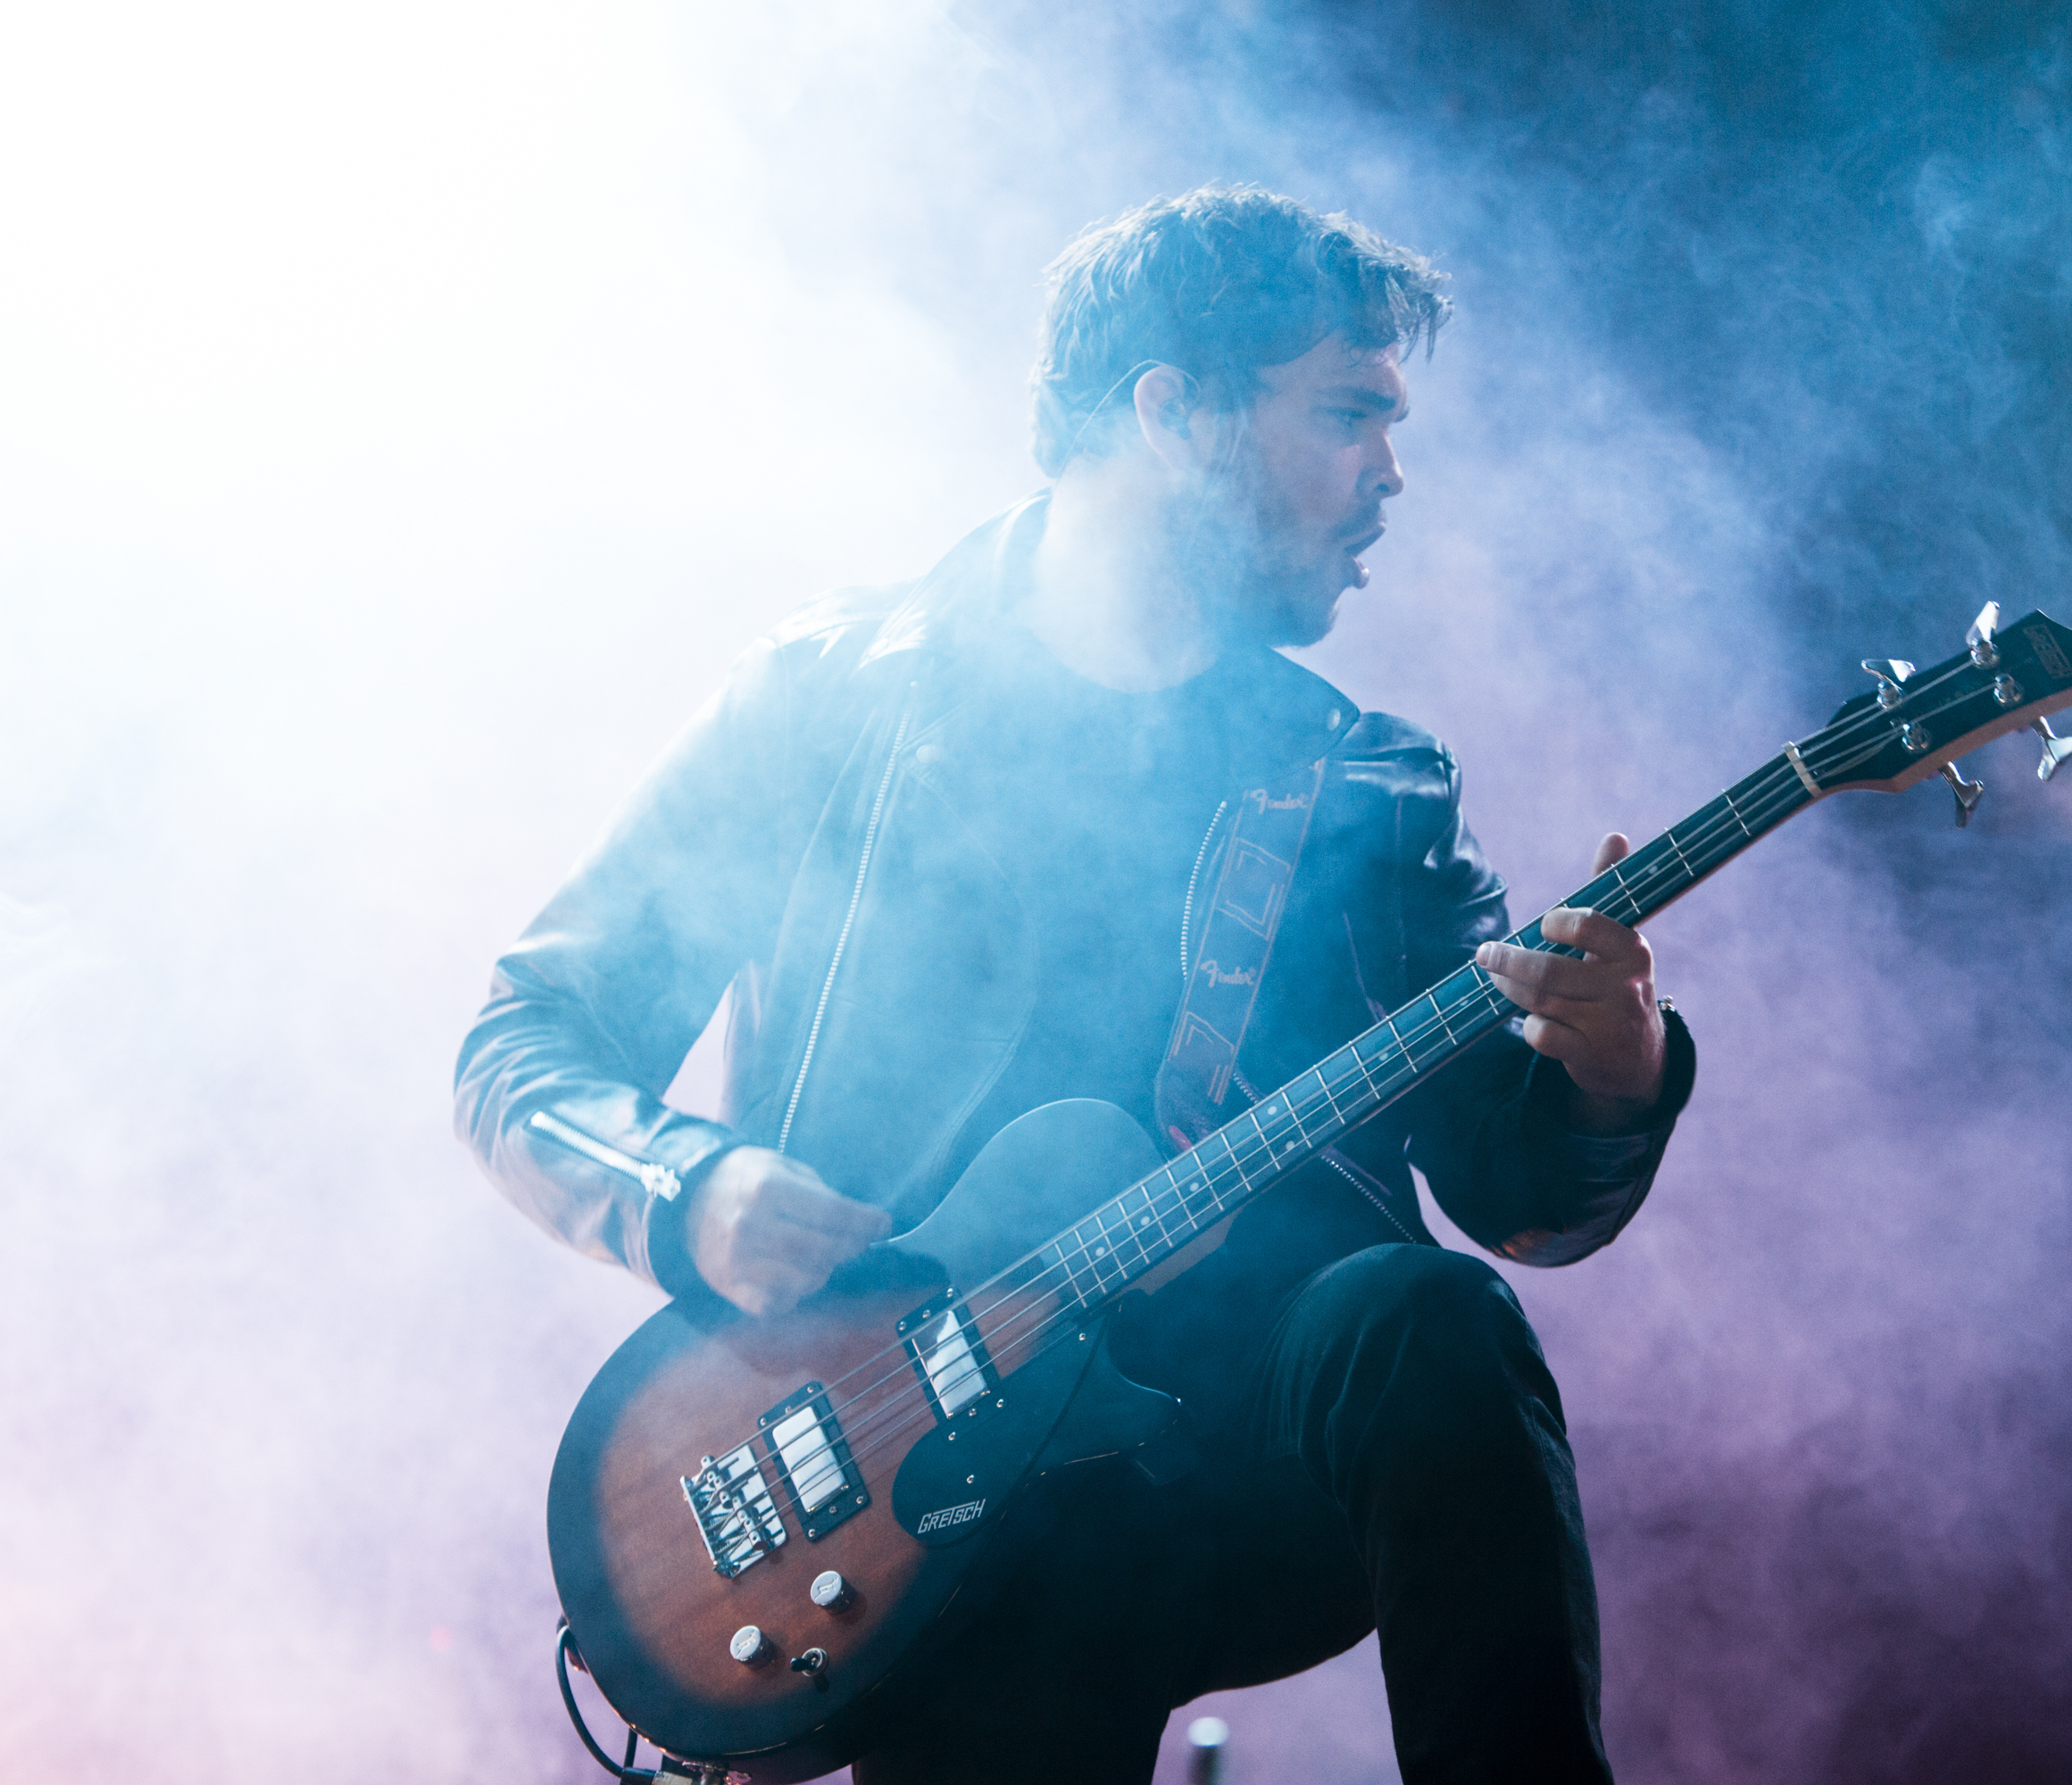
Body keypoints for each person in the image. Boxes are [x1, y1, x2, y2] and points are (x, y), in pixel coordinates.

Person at [455, 183, 1695, 1784]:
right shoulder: (827, 705)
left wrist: (1615, 1064)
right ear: (1169, 413)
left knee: (1429, 1320)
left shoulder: (1366, 786)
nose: (1392, 473)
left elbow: (1518, 1198)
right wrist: (689, 1194)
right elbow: (525, 1039)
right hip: (928, 1490)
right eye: (1347, 414)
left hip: (1233, 1456)